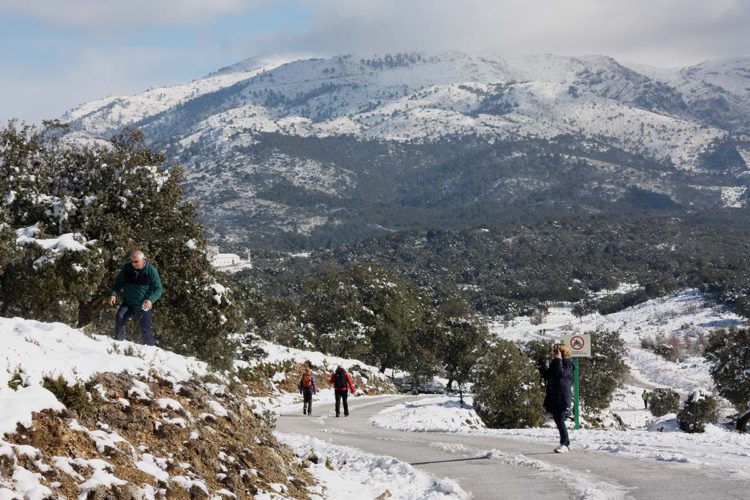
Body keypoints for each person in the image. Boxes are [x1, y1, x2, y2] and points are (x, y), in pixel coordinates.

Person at [109, 250, 163, 346]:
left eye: (136, 261)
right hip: (128, 303)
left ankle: (151, 351)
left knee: (146, 330)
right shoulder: (126, 268)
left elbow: (159, 289)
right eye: (132, 261)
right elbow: (118, 283)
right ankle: (119, 344)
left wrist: (150, 300)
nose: (133, 264)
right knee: (119, 317)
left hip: (143, 305)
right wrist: (113, 294)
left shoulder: (151, 270)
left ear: (143, 260)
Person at [539, 344, 574, 453]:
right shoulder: (555, 363)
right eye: (554, 351)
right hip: (553, 396)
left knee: (560, 420)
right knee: (558, 420)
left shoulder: (569, 364)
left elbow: (561, 374)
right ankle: (566, 443)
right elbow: (547, 376)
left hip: (562, 396)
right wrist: (541, 367)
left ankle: (565, 443)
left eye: (556, 351)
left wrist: (558, 360)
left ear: (562, 352)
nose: (554, 353)